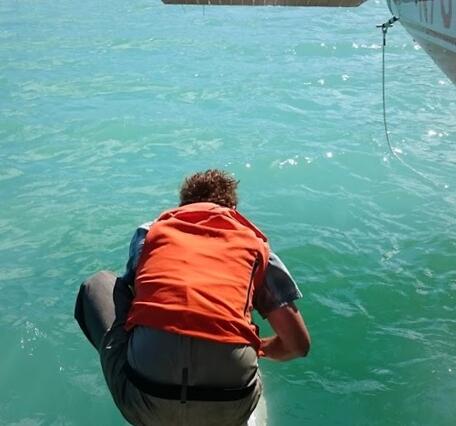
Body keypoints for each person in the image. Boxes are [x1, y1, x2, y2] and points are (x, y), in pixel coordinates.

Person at [74, 169, 311, 426]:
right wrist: (258, 347)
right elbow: (298, 345)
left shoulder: (150, 233)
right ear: (232, 207)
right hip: (232, 404)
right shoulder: (256, 246)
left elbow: (135, 299)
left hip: (147, 402)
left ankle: (140, 367)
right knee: (240, 339)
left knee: (100, 284)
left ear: (183, 204)